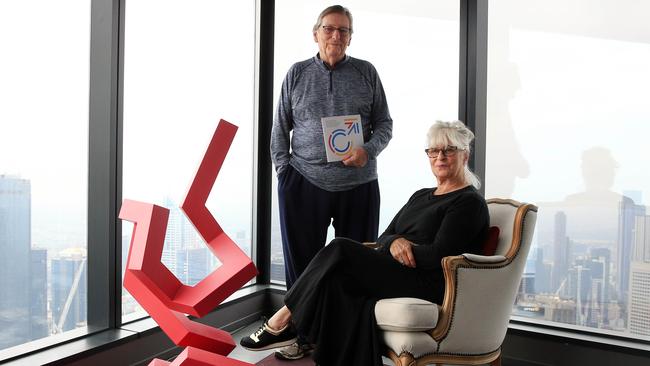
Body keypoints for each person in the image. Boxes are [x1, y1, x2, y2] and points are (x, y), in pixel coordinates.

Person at [242, 121, 489, 365]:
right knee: (335, 281)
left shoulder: (468, 202)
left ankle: (282, 320)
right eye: (433, 151)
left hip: (426, 281)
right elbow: (384, 238)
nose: (440, 157)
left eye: (449, 150)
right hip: (399, 270)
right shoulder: (421, 196)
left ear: (464, 155)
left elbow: (438, 256)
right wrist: (395, 242)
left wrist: (399, 248)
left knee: (340, 247)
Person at [270, 5, 393, 358]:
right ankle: (302, 337)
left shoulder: (367, 73)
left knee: (356, 266)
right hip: (303, 184)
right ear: (316, 33)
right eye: (329, 29)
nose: (336, 36)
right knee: (304, 268)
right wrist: (285, 173)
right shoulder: (296, 74)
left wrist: (367, 151)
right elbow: (280, 129)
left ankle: (348, 343)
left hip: (359, 185)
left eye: (343, 30)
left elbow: (385, 124)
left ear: (351, 36)